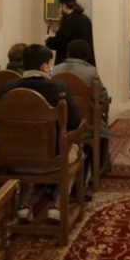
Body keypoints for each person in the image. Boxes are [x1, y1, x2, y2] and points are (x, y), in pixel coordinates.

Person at [0, 44, 81, 223]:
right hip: (51, 161)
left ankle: (24, 205)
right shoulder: (59, 88)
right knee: (76, 151)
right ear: (44, 66)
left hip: (13, 160)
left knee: (27, 144)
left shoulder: (7, 88)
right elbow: (74, 122)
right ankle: (57, 205)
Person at [53, 39, 111, 176]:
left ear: (68, 53)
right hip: (86, 124)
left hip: (60, 123)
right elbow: (102, 98)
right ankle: (98, 167)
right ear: (87, 54)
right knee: (102, 127)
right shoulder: (91, 72)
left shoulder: (54, 70)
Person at [46, 0, 95, 65]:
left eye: (60, 6)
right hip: (86, 64)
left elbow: (60, 42)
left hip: (70, 65)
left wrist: (48, 40)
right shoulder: (86, 19)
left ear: (64, 6)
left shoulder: (69, 21)